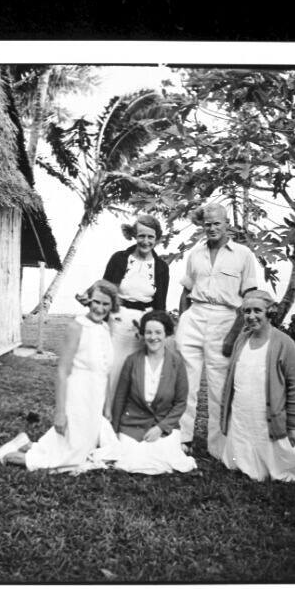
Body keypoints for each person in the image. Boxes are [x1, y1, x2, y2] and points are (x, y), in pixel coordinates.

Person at [0, 280, 119, 471]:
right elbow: (62, 371)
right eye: (96, 302)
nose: (100, 308)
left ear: (112, 306)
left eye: (106, 304)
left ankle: (24, 443)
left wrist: (108, 408)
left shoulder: (105, 329)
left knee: (80, 450)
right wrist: (60, 413)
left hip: (95, 401)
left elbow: (106, 371)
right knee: (70, 457)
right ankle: (10, 454)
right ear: (89, 301)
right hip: (77, 398)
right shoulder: (77, 327)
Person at [175, 203, 257, 459]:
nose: (211, 228)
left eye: (216, 223)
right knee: (185, 382)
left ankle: (218, 446)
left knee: (219, 387)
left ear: (226, 223)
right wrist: (182, 321)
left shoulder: (243, 255)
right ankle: (181, 440)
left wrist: (234, 334)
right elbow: (187, 290)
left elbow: (250, 297)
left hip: (225, 318)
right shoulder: (195, 254)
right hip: (194, 316)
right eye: (207, 224)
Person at [220, 290, 295, 482]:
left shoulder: (284, 343)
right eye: (246, 311)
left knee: (281, 464)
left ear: (270, 311)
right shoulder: (242, 339)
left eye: (257, 311)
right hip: (241, 412)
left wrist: (291, 425)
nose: (251, 316)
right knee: (240, 444)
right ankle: (241, 463)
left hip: (267, 416)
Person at [107, 310, 197, 475]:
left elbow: (180, 403)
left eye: (158, 332)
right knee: (131, 460)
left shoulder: (176, 362)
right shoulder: (132, 361)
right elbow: (120, 397)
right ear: (142, 334)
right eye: (148, 332)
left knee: (166, 458)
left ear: (167, 334)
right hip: (133, 425)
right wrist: (114, 431)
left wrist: (160, 428)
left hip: (163, 426)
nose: (152, 337)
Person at [96, 214, 170, 400]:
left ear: (157, 238)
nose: (146, 241)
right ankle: (104, 418)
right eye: (141, 236)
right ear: (134, 236)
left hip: (144, 324)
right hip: (118, 320)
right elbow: (105, 291)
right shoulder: (119, 259)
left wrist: (155, 329)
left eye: (150, 237)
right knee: (112, 369)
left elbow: (160, 304)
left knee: (137, 374)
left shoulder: (161, 267)